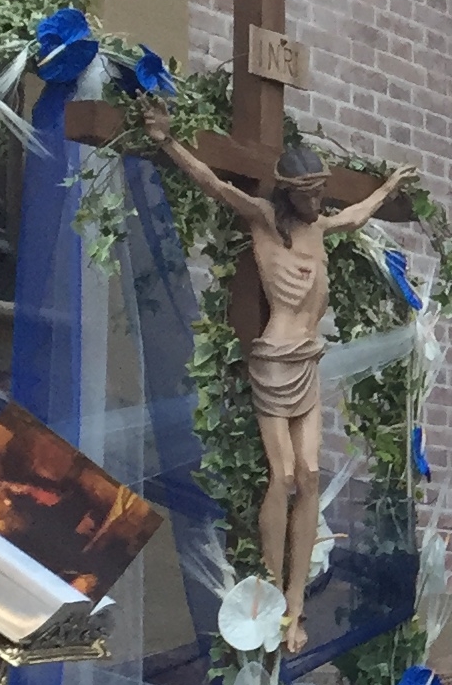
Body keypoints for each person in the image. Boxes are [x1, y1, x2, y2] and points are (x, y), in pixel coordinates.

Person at [152, 132, 418, 647]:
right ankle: (272, 592)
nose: (317, 201)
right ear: (288, 190)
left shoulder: (320, 226)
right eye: (308, 192)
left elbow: (357, 215)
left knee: (312, 474)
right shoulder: (262, 218)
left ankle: (295, 605)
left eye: (321, 191)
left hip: (309, 359)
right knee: (285, 475)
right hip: (273, 357)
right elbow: (210, 182)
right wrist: (167, 141)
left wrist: (387, 188)